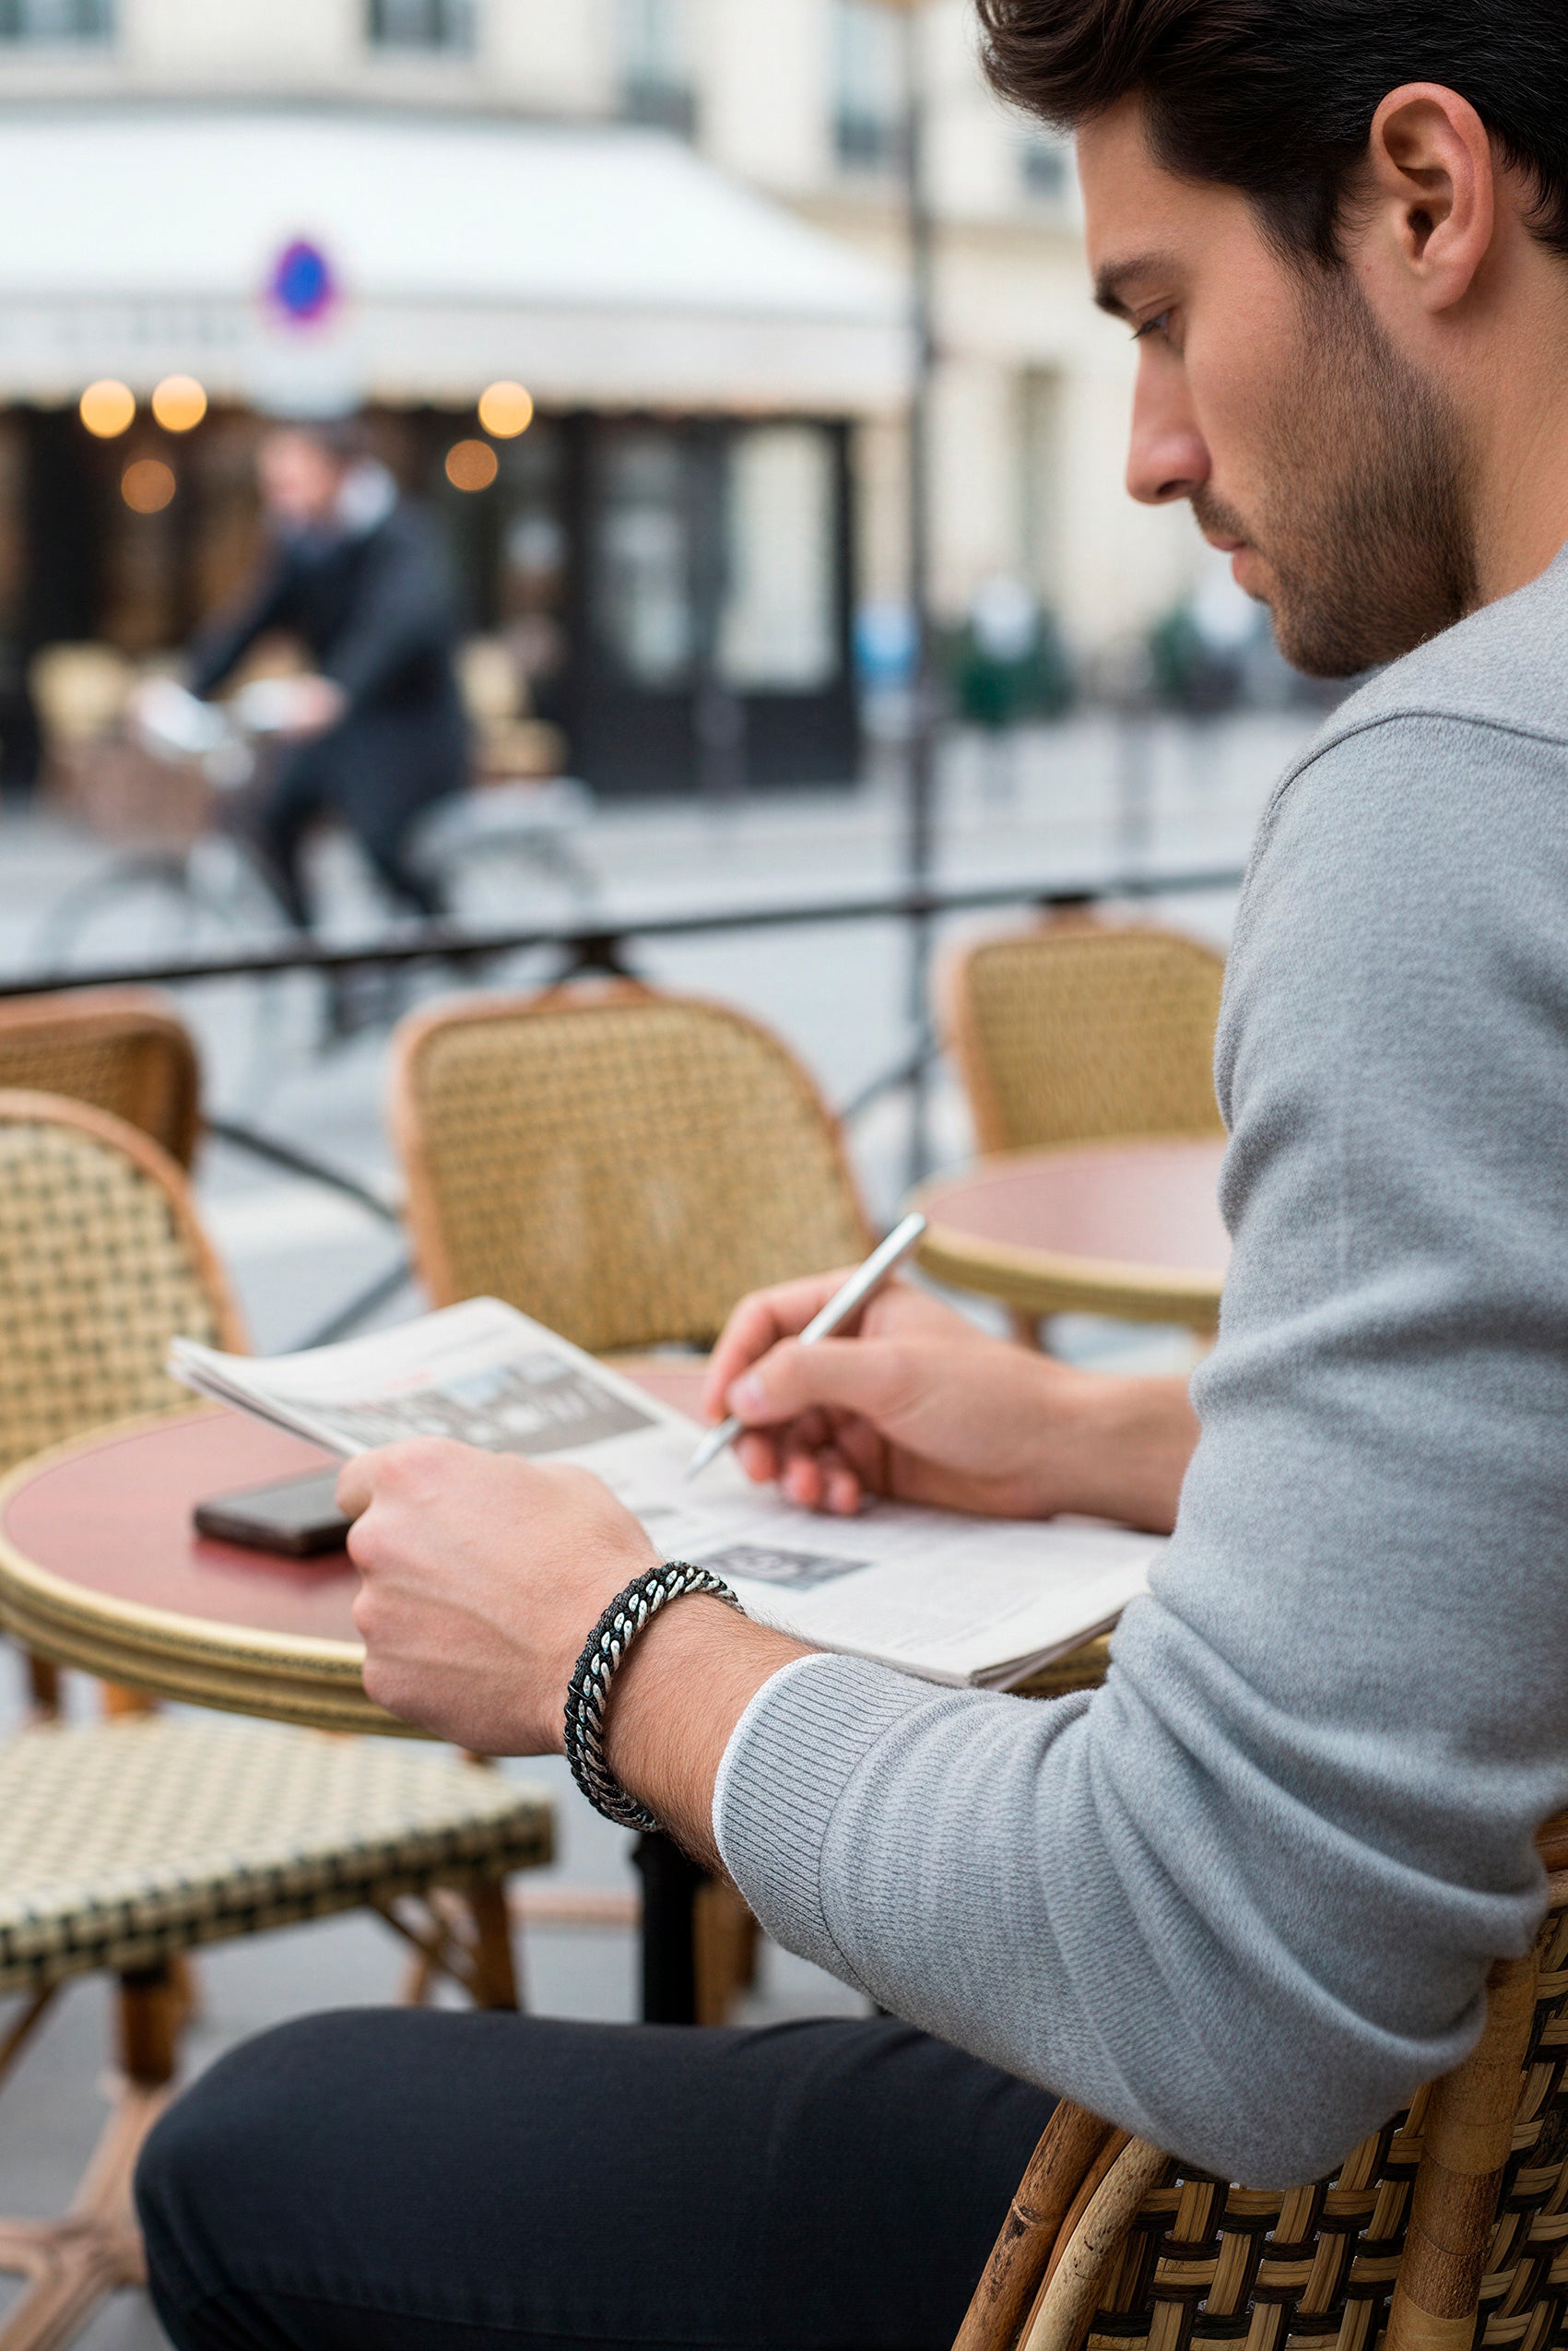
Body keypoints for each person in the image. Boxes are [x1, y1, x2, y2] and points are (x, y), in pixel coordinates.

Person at [137, 4, 1568, 2345]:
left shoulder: (1458, 801)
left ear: (1424, 198)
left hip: (1258, 2241)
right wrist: (1102, 1436)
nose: (1149, 450)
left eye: (1160, 314)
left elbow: (1228, 1967)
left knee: (254, 2150)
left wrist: (621, 1655)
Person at [183, 421, 467, 928]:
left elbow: (397, 625)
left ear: (338, 473)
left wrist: (337, 690)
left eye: (292, 479)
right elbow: (251, 622)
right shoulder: (301, 544)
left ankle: (443, 930)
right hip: (336, 729)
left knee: (382, 843)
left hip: (407, 729)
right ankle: (318, 958)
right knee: (269, 819)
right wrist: (188, 687)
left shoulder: (402, 534)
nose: (279, 494)